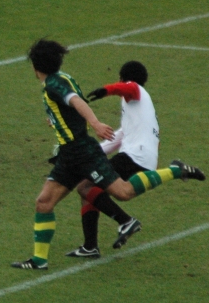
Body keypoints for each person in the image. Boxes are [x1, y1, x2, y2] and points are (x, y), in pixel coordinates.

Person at [11, 39, 205, 270]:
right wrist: (57, 122)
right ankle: (40, 260)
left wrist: (95, 122)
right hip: (69, 155)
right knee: (44, 202)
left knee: (122, 192)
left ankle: (173, 173)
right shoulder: (62, 78)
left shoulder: (55, 84)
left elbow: (75, 102)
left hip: (82, 152)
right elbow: (71, 108)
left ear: (35, 67)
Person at [66, 61, 161, 258]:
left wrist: (106, 90)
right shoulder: (139, 106)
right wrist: (89, 155)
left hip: (134, 156)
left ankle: (126, 221)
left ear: (122, 79)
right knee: (90, 190)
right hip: (140, 157)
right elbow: (119, 137)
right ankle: (90, 247)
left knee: (85, 187)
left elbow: (129, 86)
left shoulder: (136, 92)